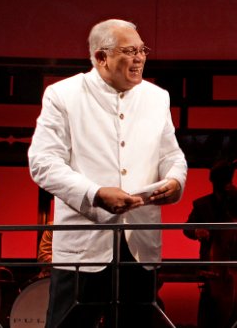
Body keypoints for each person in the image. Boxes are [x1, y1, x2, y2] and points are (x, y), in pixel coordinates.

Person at [28, 19, 187, 328]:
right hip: (82, 246)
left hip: (140, 244)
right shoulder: (63, 95)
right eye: (130, 51)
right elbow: (42, 162)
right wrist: (95, 194)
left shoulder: (158, 98)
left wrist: (175, 181)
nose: (140, 57)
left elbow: (172, 156)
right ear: (101, 57)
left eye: (143, 50)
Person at [183, 159, 237, 327]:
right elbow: (187, 228)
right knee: (209, 313)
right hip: (212, 268)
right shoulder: (202, 204)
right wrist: (196, 231)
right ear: (213, 181)